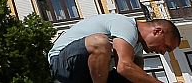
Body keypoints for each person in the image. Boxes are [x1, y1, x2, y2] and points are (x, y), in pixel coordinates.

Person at [48, 13, 179, 83]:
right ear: (157, 31)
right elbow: (124, 67)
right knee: (101, 42)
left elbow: (136, 77)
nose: (162, 53)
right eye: (166, 47)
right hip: (63, 63)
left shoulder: (137, 47)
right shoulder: (126, 25)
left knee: (134, 78)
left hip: (89, 74)